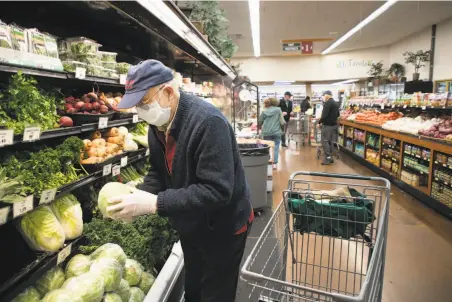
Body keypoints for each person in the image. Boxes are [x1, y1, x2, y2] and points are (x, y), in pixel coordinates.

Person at [107, 60, 253, 302]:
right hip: (192, 222)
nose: (141, 111)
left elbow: (217, 190)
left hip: (224, 226)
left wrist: (155, 203)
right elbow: (158, 172)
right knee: (193, 287)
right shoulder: (157, 126)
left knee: (216, 293)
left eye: (144, 103)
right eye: (137, 106)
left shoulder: (208, 123)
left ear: (168, 92)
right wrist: (137, 198)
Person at [259, 97, 285, 169]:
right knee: (276, 147)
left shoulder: (264, 111)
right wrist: (282, 130)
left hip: (266, 132)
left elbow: (260, 121)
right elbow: (282, 122)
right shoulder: (278, 110)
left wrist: (260, 128)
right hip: (276, 132)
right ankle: (275, 164)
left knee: (267, 147)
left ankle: (268, 161)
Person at [317, 90, 340, 165]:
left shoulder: (327, 103)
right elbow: (338, 114)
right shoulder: (336, 103)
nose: (323, 98)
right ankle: (331, 157)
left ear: (327, 96)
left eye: (323, 96)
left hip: (327, 126)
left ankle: (328, 158)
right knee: (331, 142)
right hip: (334, 125)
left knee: (325, 141)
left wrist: (319, 122)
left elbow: (324, 116)